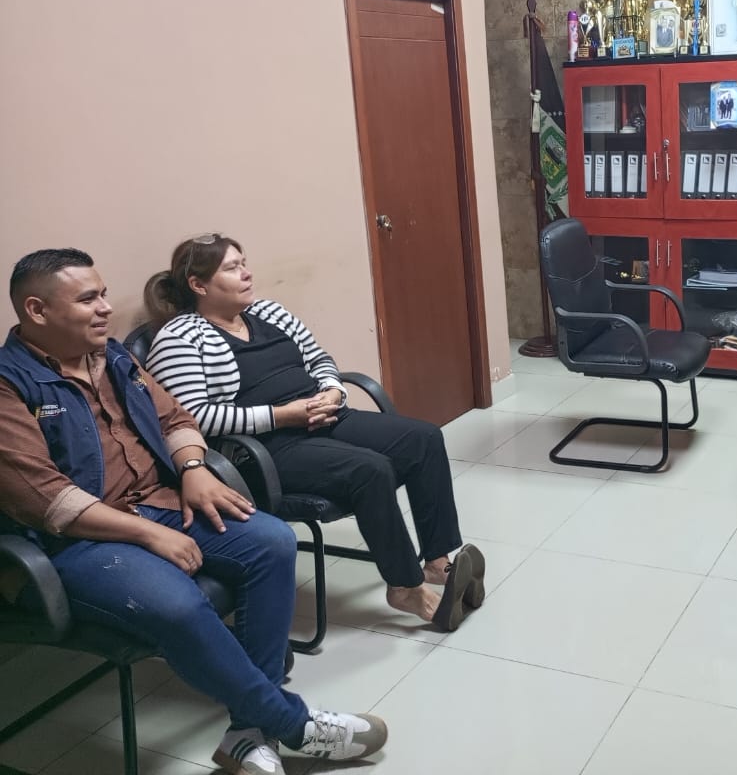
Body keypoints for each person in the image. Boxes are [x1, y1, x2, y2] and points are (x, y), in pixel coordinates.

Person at [0, 249, 388, 775]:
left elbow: (175, 418)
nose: (106, 308)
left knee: (272, 541)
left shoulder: (111, 357)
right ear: (37, 310)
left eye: (104, 294)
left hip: (156, 502)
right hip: (74, 541)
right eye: (89, 299)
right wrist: (147, 535)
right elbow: (46, 499)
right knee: (181, 605)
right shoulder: (9, 383)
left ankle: (246, 733)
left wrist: (192, 469)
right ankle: (292, 724)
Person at [144, 234, 483, 633]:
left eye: (244, 262)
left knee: (422, 439)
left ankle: (437, 562)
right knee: (370, 469)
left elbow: (319, 358)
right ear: (198, 285)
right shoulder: (180, 338)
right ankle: (405, 587)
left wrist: (333, 391)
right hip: (266, 448)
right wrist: (280, 416)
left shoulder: (269, 312)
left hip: (322, 416)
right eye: (232, 268)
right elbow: (191, 417)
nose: (246, 273)